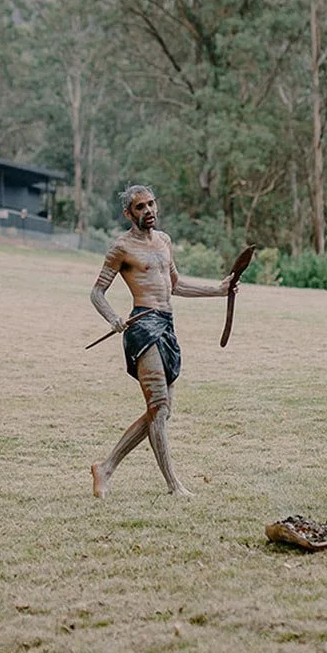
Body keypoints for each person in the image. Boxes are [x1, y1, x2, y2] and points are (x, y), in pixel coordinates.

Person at [89, 185, 238, 498]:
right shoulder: (121, 247)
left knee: (162, 410)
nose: (149, 211)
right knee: (158, 406)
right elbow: (97, 292)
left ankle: (105, 467)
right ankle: (174, 485)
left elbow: (176, 286)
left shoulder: (165, 241)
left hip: (167, 327)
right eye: (140, 207)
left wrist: (218, 290)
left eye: (151, 204)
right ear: (128, 214)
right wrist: (114, 318)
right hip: (142, 327)